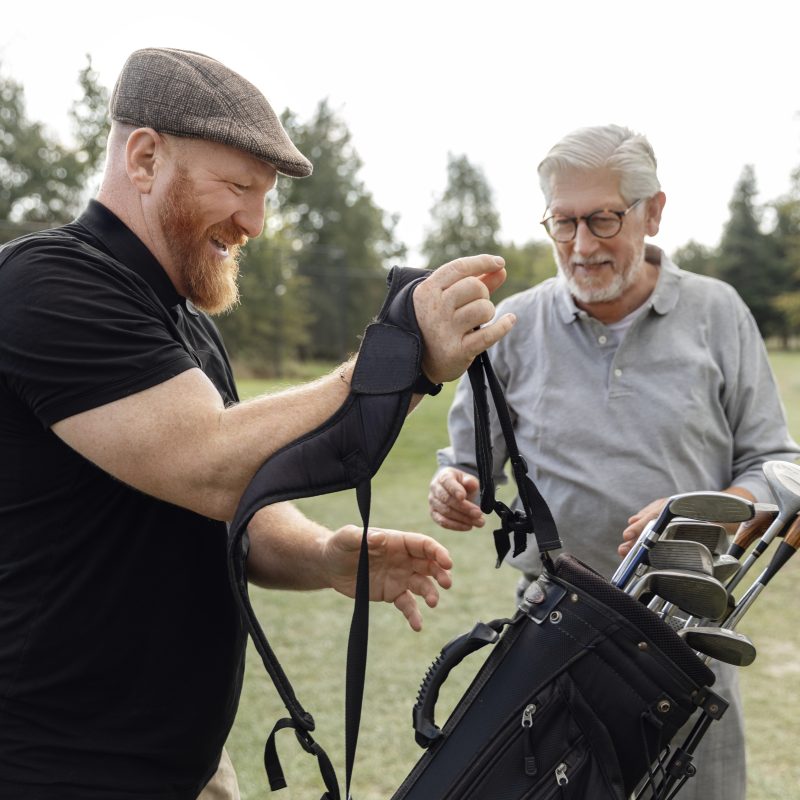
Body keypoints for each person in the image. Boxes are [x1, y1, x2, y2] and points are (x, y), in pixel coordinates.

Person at [0, 48, 517, 800]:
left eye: (265, 196)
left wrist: (323, 556)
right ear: (144, 157)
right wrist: (396, 357)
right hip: (55, 766)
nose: (255, 222)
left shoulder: (183, 322)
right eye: (239, 186)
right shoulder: (48, 285)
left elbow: (240, 496)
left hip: (189, 766)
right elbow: (205, 465)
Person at [428, 123, 800, 800]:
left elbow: (777, 464)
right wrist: (456, 485)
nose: (581, 245)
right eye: (563, 222)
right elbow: (468, 464)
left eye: (603, 218)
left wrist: (701, 517)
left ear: (654, 210)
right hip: (552, 632)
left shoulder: (719, 313)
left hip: (689, 641)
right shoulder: (511, 328)